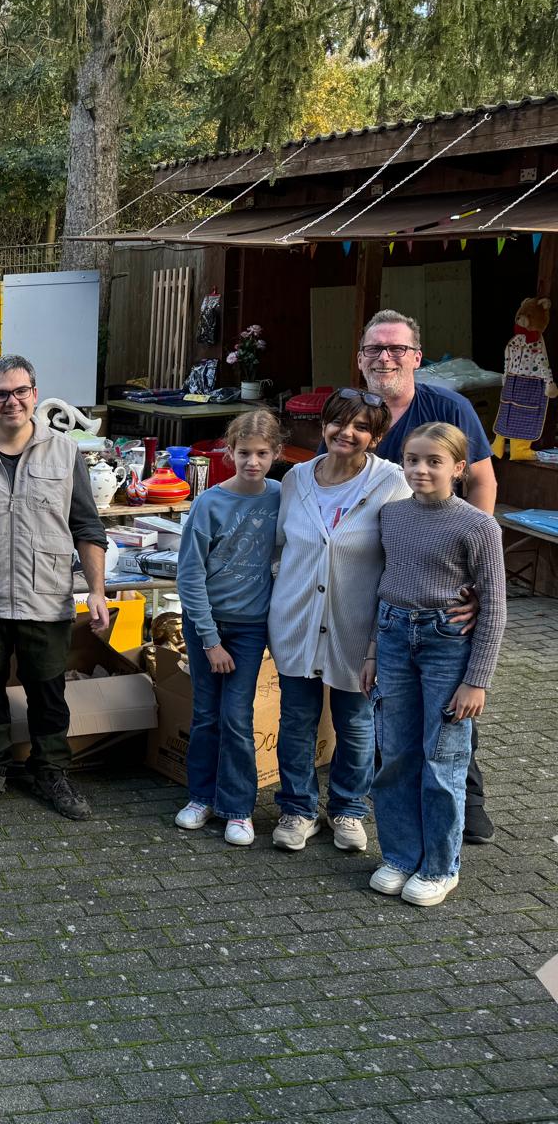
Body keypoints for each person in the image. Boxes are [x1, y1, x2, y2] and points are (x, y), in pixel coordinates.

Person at [0, 354, 110, 819]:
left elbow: (87, 527)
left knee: (47, 692)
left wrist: (96, 590)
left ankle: (52, 773)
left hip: (46, 597)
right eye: (1, 393)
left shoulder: (66, 454)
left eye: (21, 391)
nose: (12, 401)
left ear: (35, 393)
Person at [356, 308, 499, 845]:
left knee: (448, 703)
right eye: (374, 348)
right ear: (361, 358)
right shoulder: (357, 412)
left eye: (396, 348)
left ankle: (470, 800)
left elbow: (483, 481)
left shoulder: (448, 407)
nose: (385, 357)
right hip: (383, 572)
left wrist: (478, 577)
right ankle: (385, 798)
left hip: (444, 581)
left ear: (416, 356)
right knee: (388, 702)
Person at [363, 423, 506, 906]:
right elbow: (381, 584)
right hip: (393, 636)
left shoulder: (478, 525)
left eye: (433, 461)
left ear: (459, 469)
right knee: (395, 753)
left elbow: (494, 605)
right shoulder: (391, 516)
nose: (420, 469)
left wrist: (476, 681)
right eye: (412, 460)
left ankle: (441, 866)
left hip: (447, 644)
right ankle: (401, 855)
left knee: (442, 758)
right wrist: (371, 653)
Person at [270, 389, 411, 853]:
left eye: (361, 427)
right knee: (296, 719)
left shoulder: (392, 482)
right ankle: (297, 808)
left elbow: (407, 552)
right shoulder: (295, 478)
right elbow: (278, 549)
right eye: (338, 423)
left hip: (358, 626)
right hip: (297, 621)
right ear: (323, 425)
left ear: (376, 436)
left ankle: (349, 809)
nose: (346, 433)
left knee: (355, 722)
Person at [173, 410, 282, 846]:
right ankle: (200, 796)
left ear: (275, 454)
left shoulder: (280, 496)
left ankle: (238, 807)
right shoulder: (210, 503)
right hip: (208, 624)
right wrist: (210, 639)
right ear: (228, 452)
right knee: (204, 714)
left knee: (236, 716)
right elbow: (189, 575)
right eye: (243, 453)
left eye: (261, 453)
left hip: (251, 626)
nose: (251, 461)